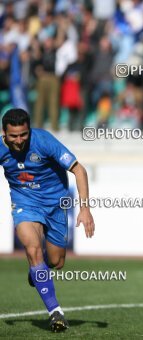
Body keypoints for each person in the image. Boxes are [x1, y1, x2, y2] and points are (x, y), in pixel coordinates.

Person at [0, 108, 95, 332]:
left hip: (56, 204)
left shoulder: (44, 141)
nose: (19, 140)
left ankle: (38, 269)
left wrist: (85, 209)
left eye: (23, 134)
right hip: (25, 203)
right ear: (4, 133)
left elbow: (79, 170)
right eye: (13, 136)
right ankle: (56, 312)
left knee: (56, 262)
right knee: (32, 248)